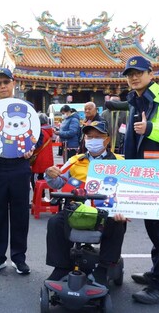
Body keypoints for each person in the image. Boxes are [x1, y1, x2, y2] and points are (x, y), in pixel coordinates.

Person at [44, 121, 127, 285]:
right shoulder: (75, 160)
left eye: (98, 137)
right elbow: (58, 184)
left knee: (118, 224)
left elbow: (129, 191)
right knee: (55, 222)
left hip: (106, 211)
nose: (93, 140)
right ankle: (61, 267)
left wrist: (126, 210)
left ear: (107, 140)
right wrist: (50, 174)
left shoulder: (120, 161)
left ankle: (104, 268)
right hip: (77, 210)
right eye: (89, 136)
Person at [122, 55, 159, 305]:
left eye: (138, 72)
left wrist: (152, 128)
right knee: (154, 228)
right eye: (129, 73)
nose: (133, 77)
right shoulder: (135, 101)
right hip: (146, 175)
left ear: (151, 74)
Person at [0, 67, 34, 276]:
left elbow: (35, 137)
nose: (3, 86)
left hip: (20, 167)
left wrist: (31, 150)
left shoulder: (27, 106)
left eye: (6, 82)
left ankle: (19, 258)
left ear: (13, 83)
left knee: (21, 215)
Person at [31, 113, 54, 189]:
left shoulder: (41, 132)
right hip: (47, 159)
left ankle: (39, 196)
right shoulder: (49, 130)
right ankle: (42, 196)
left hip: (39, 160)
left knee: (36, 179)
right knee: (42, 178)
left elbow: (36, 146)